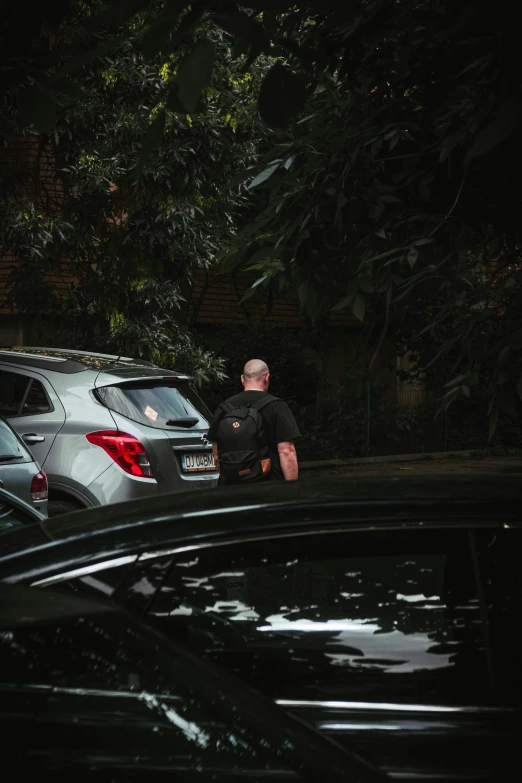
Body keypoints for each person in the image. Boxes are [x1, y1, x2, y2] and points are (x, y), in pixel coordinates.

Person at [208, 359, 300, 483]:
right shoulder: (277, 406)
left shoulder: (224, 408)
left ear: (242, 379)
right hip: (269, 487)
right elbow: (287, 451)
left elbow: (216, 455)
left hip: (232, 489)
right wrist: (292, 488)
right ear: (267, 378)